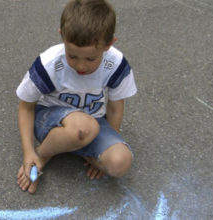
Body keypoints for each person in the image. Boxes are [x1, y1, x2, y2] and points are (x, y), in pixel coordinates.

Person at [16, 0, 137, 194]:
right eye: (72, 56)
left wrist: (106, 146)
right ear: (62, 37)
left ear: (109, 44)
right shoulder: (50, 64)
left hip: (92, 122)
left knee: (120, 163)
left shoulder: (115, 65)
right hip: (49, 118)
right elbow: (25, 106)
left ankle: (71, 144)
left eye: (90, 59)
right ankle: (43, 155)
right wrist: (29, 151)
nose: (81, 66)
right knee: (84, 128)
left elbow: (115, 106)